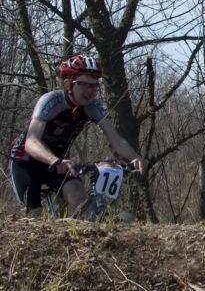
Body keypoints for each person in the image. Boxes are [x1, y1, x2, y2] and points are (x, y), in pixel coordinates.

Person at [8, 55, 145, 218]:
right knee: (33, 217)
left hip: (58, 163)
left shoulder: (93, 107)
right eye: (84, 84)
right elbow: (31, 142)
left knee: (80, 203)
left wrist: (135, 157)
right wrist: (54, 160)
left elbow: (117, 141)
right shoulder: (50, 101)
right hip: (25, 161)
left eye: (94, 85)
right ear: (68, 84)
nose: (90, 91)